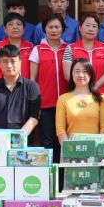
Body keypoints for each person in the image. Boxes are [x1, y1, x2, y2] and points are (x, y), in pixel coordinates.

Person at [0, 44, 41, 134]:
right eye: (5, 62)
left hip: (23, 138)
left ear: (20, 62)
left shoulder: (31, 87)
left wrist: (18, 138)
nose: (9, 65)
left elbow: (34, 118)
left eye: (13, 61)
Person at [30, 15, 68, 155]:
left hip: (66, 103)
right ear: (44, 29)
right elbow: (32, 79)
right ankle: (50, 169)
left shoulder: (68, 49)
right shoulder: (37, 49)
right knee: (47, 140)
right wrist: (36, 101)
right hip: (45, 103)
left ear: (62, 29)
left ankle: (62, 168)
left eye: (57, 27)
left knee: (64, 140)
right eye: (50, 27)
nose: (53, 30)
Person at [56, 59, 104, 141]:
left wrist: (96, 147)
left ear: (91, 75)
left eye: (85, 71)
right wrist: (68, 147)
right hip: (71, 147)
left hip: (95, 147)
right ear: (71, 74)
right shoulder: (63, 99)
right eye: (77, 71)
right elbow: (60, 130)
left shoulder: (101, 98)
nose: (81, 75)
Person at [64, 13, 104, 96]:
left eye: (94, 26)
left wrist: (95, 86)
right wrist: (84, 88)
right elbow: (67, 75)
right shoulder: (70, 48)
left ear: (98, 30)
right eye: (87, 25)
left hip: (101, 94)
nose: (91, 29)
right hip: (78, 94)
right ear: (80, 28)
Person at [0, 13, 35, 81]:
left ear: (23, 29)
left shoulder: (31, 47)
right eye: (11, 24)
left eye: (18, 24)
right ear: (5, 29)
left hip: (25, 86)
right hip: (2, 87)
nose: (15, 27)